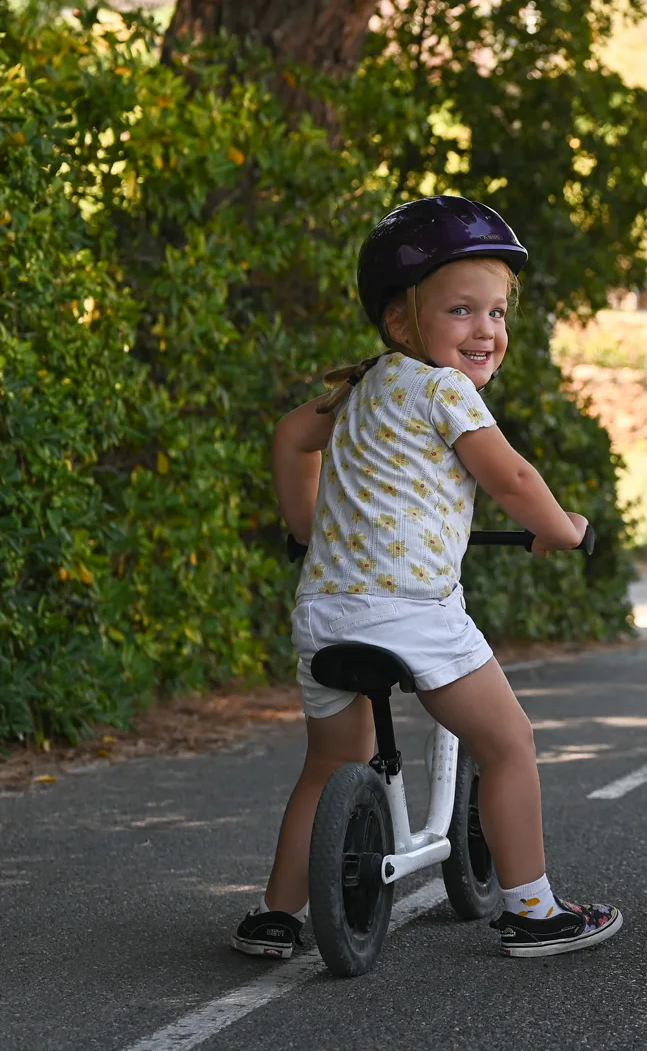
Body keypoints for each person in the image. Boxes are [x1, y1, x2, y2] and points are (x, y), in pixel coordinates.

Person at [229, 196, 622, 960]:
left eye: (498, 313)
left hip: (325, 611)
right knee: (509, 744)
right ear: (403, 322)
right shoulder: (445, 390)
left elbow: (289, 436)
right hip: (411, 611)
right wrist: (559, 527)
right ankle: (536, 911)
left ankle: (274, 915)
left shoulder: (360, 385)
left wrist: (308, 531)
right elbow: (507, 475)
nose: (487, 331)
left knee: (327, 762)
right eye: (461, 311)